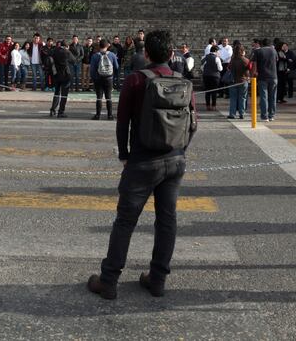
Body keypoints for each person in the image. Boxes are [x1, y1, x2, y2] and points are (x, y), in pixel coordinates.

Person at [87, 29, 197, 300]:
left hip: (142, 160)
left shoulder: (136, 80)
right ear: (172, 54)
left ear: (146, 53)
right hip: (174, 160)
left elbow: (122, 121)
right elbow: (193, 123)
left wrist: (124, 155)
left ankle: (109, 280)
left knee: (125, 221)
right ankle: (157, 280)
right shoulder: (183, 81)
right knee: (167, 220)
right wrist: (180, 149)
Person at [90, 39, 119, 121]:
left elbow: (92, 70)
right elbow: (116, 67)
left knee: (99, 97)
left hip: (98, 79)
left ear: (99, 46)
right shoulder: (112, 55)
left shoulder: (95, 56)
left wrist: (94, 78)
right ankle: (110, 115)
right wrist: (113, 76)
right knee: (108, 97)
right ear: (107, 46)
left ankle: (97, 115)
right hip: (109, 78)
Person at [251, 38, 278, 122]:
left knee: (264, 97)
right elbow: (277, 60)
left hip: (262, 76)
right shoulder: (274, 51)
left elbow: (254, 64)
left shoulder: (257, 51)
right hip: (273, 76)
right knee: (273, 96)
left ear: (261, 44)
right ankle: (271, 115)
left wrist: (254, 74)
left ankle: (264, 116)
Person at [49, 41, 73, 118]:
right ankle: (61, 111)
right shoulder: (66, 52)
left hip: (56, 75)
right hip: (65, 75)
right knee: (64, 94)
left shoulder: (54, 51)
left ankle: (53, 110)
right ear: (66, 46)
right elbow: (73, 60)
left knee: (56, 92)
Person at [227, 43, 251, 120]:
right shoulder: (246, 60)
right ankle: (242, 113)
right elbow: (250, 68)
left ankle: (232, 114)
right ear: (242, 51)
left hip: (233, 81)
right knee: (243, 98)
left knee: (233, 98)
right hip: (243, 81)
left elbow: (229, 68)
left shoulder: (232, 60)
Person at [201, 45, 222, 110]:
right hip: (215, 76)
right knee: (214, 91)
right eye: (218, 51)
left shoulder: (205, 57)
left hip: (206, 76)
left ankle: (207, 106)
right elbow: (220, 68)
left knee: (207, 91)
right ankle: (213, 106)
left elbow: (202, 67)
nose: (219, 53)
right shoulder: (217, 58)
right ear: (215, 51)